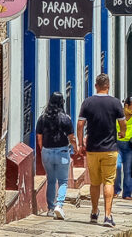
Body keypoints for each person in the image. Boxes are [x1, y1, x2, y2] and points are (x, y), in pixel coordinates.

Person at [77, 74, 127, 228]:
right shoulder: (115, 103)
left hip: (92, 149)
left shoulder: (88, 102)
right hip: (110, 149)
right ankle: (107, 216)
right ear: (109, 86)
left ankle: (93, 212)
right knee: (109, 182)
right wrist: (123, 133)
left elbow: (80, 125)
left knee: (94, 183)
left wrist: (80, 143)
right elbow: (123, 123)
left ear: (95, 86)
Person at [36, 92, 77, 220]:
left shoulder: (42, 118)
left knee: (51, 181)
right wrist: (76, 147)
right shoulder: (65, 119)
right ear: (61, 103)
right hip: (62, 152)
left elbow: (39, 138)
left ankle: (50, 209)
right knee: (63, 182)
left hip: (47, 152)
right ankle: (59, 205)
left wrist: (44, 149)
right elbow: (71, 137)